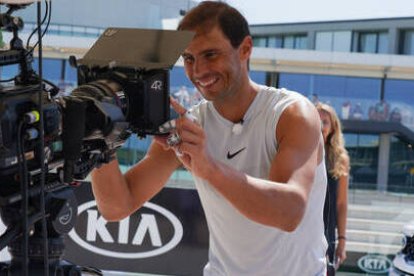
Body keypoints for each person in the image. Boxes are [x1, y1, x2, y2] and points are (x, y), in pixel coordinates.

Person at [91, 1, 327, 275]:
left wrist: (209, 168)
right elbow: (117, 206)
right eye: (189, 58)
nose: (198, 71)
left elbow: (289, 213)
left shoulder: (292, 113)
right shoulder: (190, 124)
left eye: (211, 54)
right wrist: (100, 139)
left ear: (246, 49)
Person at [316, 102, 350, 275]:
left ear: (333, 127)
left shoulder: (340, 158)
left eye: (325, 121)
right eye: (317, 120)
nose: (321, 125)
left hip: (327, 232)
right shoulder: (299, 151)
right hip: (302, 229)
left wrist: (342, 240)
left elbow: (341, 203)